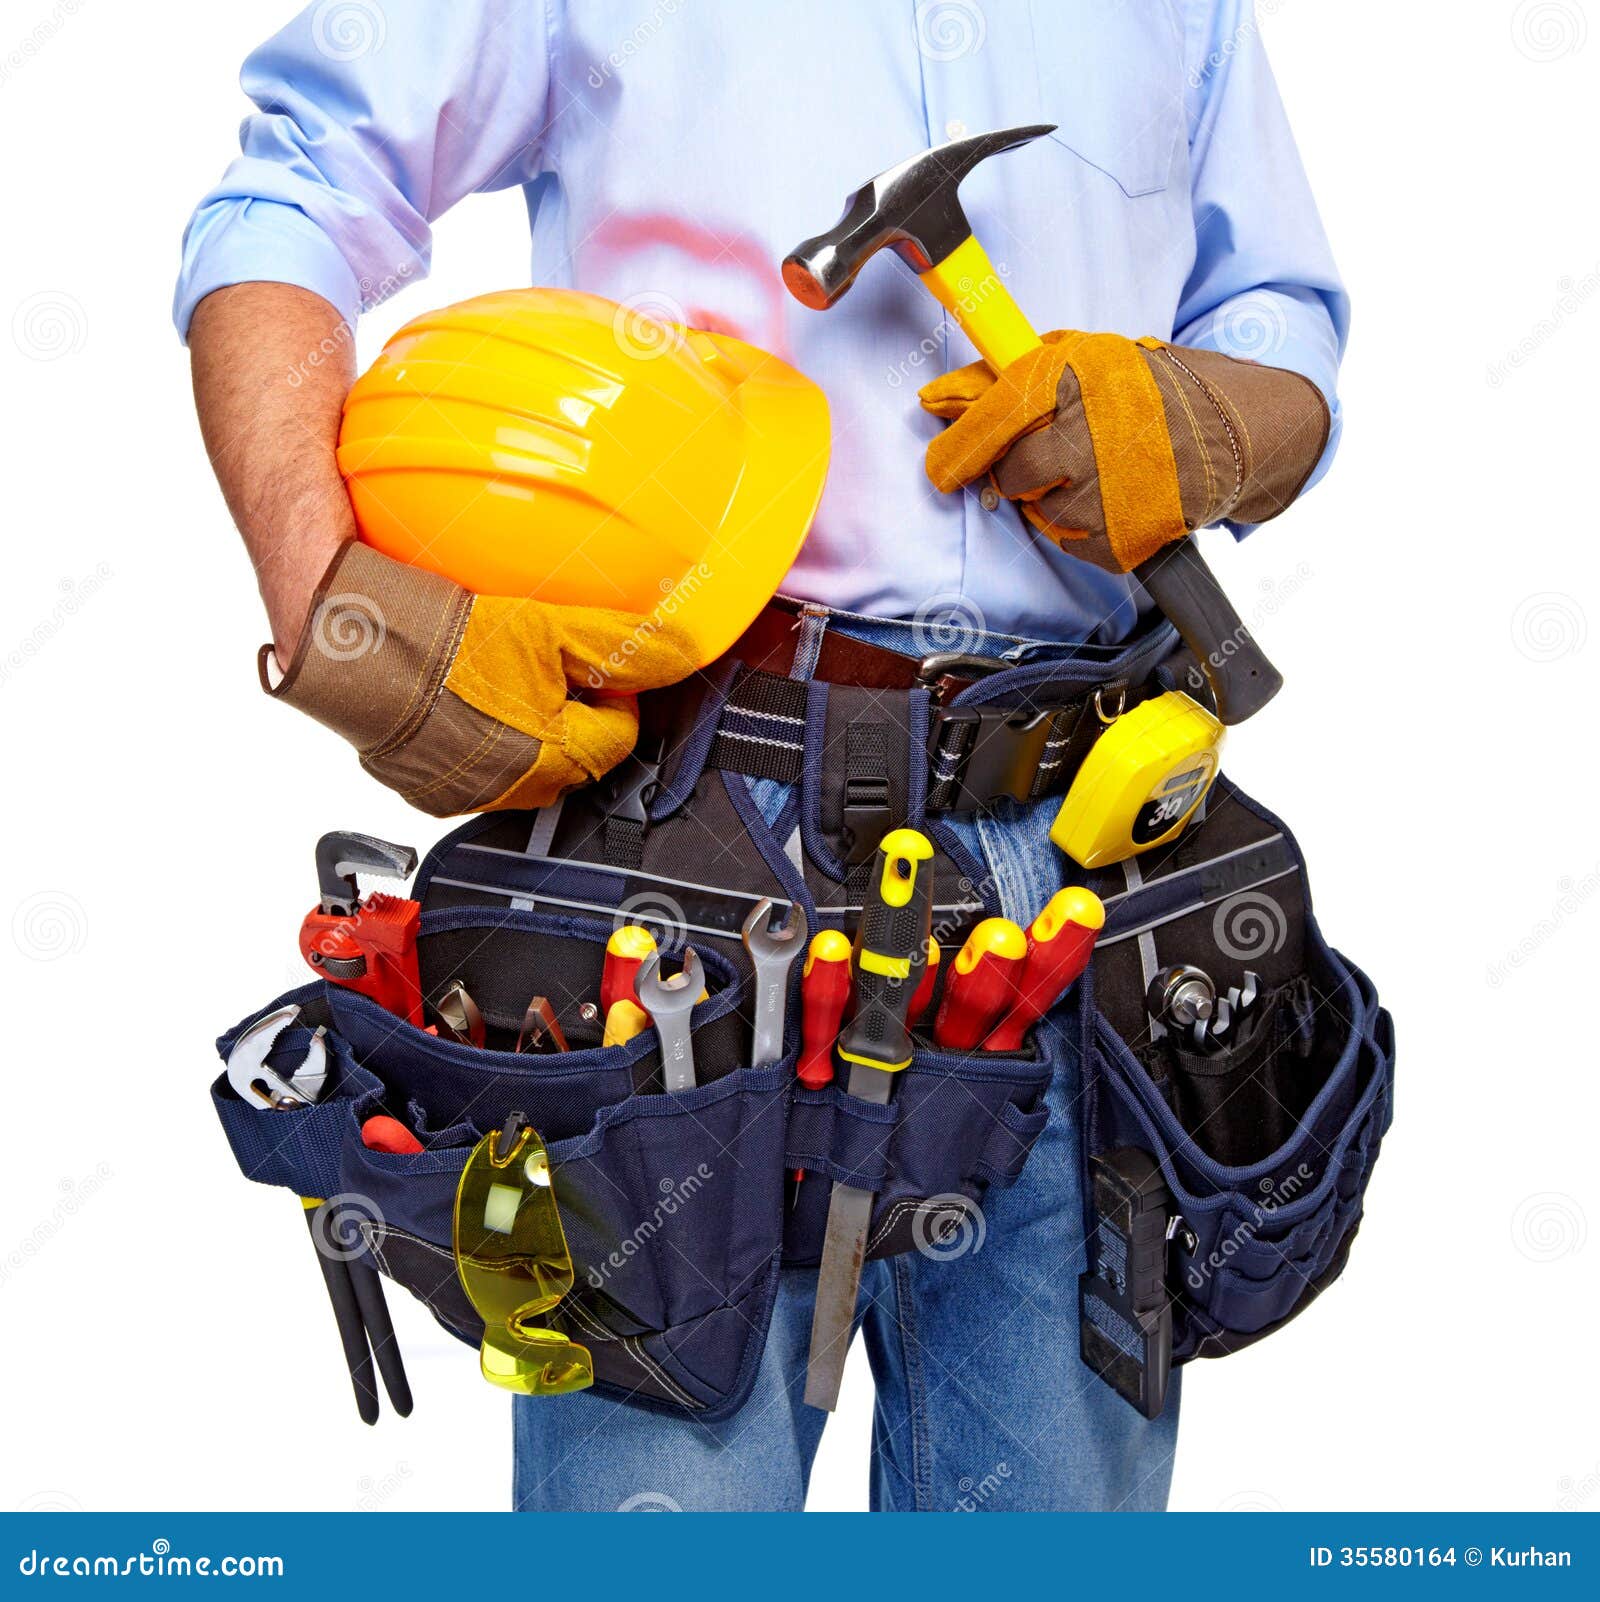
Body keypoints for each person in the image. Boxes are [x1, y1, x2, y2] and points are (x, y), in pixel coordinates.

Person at [178, 0, 1346, 1512]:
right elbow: (290, 198)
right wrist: (334, 610)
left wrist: (1219, 420)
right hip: (690, 831)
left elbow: (1276, 309)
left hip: (1093, 839)